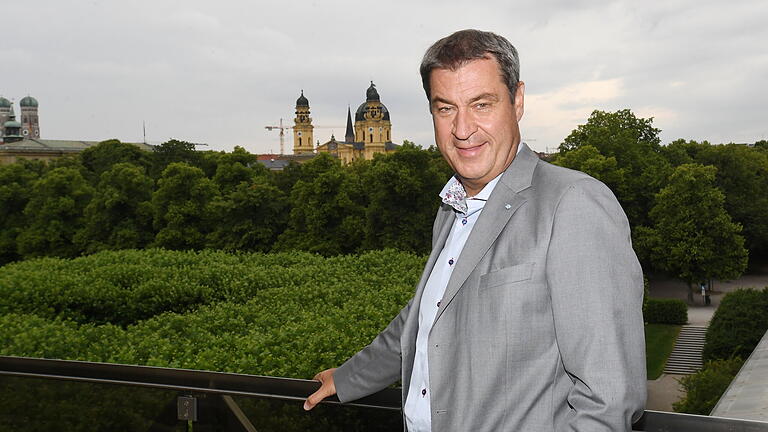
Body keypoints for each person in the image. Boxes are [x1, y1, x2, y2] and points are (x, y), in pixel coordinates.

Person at [304, 29, 646, 431]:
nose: (463, 129)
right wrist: (348, 378)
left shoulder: (574, 204)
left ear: (517, 101)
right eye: (446, 108)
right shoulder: (452, 208)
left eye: (481, 104)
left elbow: (608, 399)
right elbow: (425, 318)